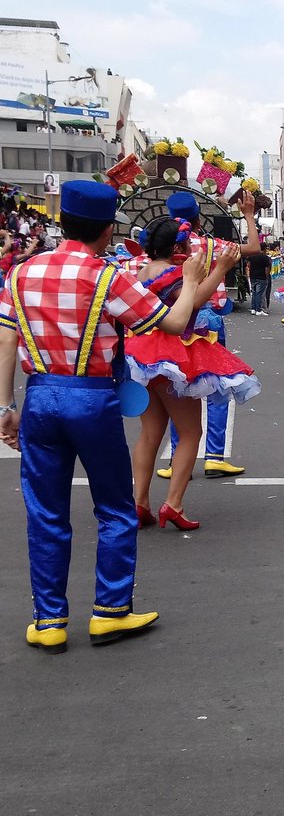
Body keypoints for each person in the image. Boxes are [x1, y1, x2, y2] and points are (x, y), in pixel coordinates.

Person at [0, 181, 206, 652]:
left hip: (40, 397)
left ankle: (49, 621)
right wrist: (191, 279)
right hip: (92, 399)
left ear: (63, 222)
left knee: (45, 511)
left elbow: (6, 341)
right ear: (108, 227)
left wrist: (5, 408)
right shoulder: (108, 277)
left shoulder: (21, 273)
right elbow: (173, 324)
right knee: (114, 508)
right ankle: (110, 612)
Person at [125, 218, 259, 529]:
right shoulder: (174, 273)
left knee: (150, 433)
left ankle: (139, 502)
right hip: (173, 355)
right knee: (190, 433)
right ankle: (173, 504)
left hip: (142, 355)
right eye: (186, 244)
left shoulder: (141, 271)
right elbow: (195, 302)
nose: (190, 249)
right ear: (176, 247)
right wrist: (221, 269)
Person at [152, 190, 262, 481]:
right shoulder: (213, 245)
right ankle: (214, 457)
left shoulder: (162, 248)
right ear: (198, 219)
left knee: (177, 388)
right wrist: (248, 215)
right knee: (216, 387)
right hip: (208, 321)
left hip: (173, 322)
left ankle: (179, 461)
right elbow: (253, 247)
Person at [247, 250, 271, 315]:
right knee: (259, 293)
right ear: (265, 249)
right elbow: (267, 268)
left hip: (253, 276)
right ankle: (258, 309)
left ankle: (253, 308)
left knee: (254, 293)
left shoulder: (251, 256)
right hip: (261, 277)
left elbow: (248, 265)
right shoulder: (264, 257)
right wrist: (267, 276)